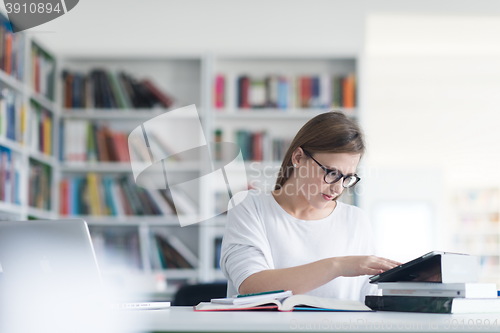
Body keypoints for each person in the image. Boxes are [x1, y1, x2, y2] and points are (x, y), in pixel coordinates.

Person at [220, 111, 400, 302]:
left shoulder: (356, 220)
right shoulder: (249, 207)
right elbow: (251, 287)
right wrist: (338, 266)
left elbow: (371, 303)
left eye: (347, 178)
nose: (338, 187)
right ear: (298, 158)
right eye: (331, 172)